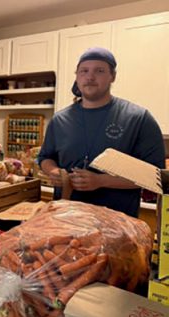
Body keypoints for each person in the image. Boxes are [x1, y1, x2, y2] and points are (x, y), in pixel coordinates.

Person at [38, 47, 165, 217]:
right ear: (77, 76)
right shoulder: (60, 120)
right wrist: (54, 172)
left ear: (112, 76)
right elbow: (45, 157)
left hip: (118, 223)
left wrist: (101, 181)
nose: (90, 77)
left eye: (99, 70)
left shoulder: (138, 118)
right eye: (84, 71)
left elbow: (155, 176)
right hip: (66, 221)